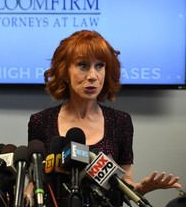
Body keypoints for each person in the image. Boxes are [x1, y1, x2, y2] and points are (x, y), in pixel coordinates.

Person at [26, 30, 182, 206]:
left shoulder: (120, 122)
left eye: (99, 66)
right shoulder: (40, 121)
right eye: (83, 65)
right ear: (64, 71)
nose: (93, 76)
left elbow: (125, 181)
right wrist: (27, 195)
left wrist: (138, 190)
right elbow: (34, 181)